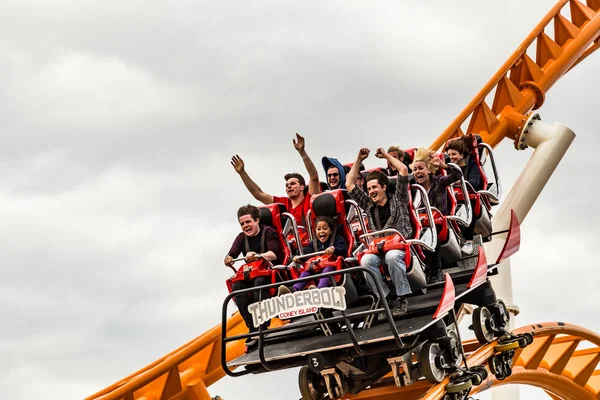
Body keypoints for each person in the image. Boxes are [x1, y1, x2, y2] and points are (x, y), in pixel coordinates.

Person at [345, 147, 413, 316]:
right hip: (379, 247)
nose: (371, 192)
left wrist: (386, 156)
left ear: (384, 187)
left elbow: (403, 170)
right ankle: (385, 298)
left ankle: (402, 298)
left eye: (374, 187)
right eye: (369, 189)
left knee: (392, 257)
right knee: (366, 261)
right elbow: (349, 184)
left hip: (399, 246)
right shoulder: (369, 205)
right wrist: (359, 160)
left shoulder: (398, 198)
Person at [230, 133, 321, 227]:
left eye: (293, 184)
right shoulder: (283, 204)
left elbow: (314, 177)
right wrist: (242, 173)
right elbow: (258, 194)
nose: (289, 186)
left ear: (302, 187)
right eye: (287, 185)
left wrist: (302, 152)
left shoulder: (309, 200)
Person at [225, 204, 284, 346]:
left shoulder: (268, 232)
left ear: (257, 220)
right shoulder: (241, 238)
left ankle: (262, 326)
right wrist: (228, 258)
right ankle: (252, 329)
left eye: (248, 222)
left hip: (269, 273)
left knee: (259, 284)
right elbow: (231, 254)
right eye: (242, 224)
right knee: (238, 287)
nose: (245, 226)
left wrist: (258, 256)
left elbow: (274, 254)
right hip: (250, 275)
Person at [278, 216, 348, 294]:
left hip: (333, 267)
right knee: (306, 272)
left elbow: (343, 251)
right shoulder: (314, 243)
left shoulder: (337, 239)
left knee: (327, 270)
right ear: (315, 231)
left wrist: (333, 249)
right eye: (319, 229)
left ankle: (319, 291)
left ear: (330, 231)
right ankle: (294, 290)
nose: (322, 231)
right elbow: (307, 254)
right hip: (317, 267)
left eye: (325, 229)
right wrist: (299, 258)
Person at [411, 148, 463, 216]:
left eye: (421, 168)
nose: (417, 171)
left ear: (428, 170)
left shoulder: (439, 181)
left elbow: (457, 175)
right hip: (422, 222)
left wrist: (442, 165)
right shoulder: (414, 188)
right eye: (415, 170)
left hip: (441, 222)